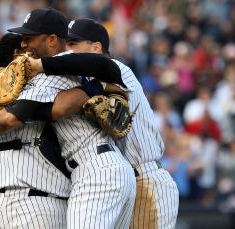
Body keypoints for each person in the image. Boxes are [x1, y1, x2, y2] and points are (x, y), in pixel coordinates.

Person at [0, 8, 136, 229]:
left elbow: (25, 114)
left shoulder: (54, 68)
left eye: (29, 38)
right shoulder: (69, 66)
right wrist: (96, 86)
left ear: (52, 40)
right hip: (110, 167)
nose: (25, 46)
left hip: (94, 172)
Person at [28, 18, 180, 229]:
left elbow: (79, 63)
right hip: (127, 182)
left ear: (96, 47)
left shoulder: (117, 69)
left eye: (73, 44)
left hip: (145, 179)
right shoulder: (91, 82)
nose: (67, 50)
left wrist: (39, 65)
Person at [0, 25, 71, 228]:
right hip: (38, 206)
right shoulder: (38, 89)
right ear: (17, 56)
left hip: (4, 205)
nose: (32, 56)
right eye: (26, 50)